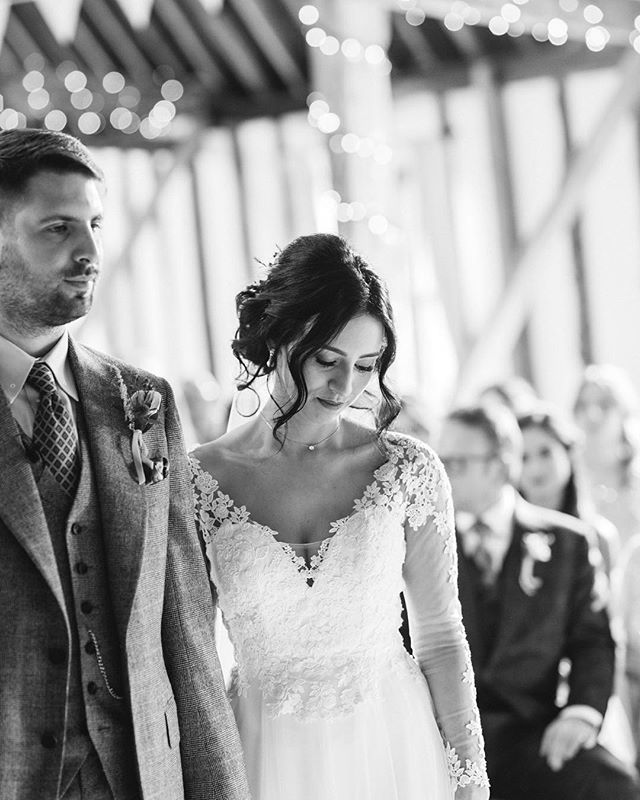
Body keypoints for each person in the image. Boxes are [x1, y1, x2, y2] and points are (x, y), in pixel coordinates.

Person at [190, 233, 489, 800]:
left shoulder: (405, 470)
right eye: (327, 360)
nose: (345, 386)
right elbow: (191, 655)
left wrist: (470, 779)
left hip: (393, 750)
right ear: (278, 337)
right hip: (259, 756)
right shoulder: (199, 482)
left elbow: (442, 637)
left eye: (365, 365)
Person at [0, 129, 249, 800]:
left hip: (140, 777)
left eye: (96, 225)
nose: (88, 253)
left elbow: (187, 627)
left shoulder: (143, 401)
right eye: (57, 228)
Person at [437, 403, 640, 800]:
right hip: (445, 743)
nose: (441, 471)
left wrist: (581, 714)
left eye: (456, 462)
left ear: (498, 465)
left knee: (614, 785)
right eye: (440, 458)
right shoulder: (423, 545)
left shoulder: (569, 542)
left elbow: (594, 640)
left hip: (535, 734)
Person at [572, 363, 640, 550]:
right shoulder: (569, 471)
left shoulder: (636, 469)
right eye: (583, 406)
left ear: (623, 410)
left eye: (604, 405)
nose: (592, 415)